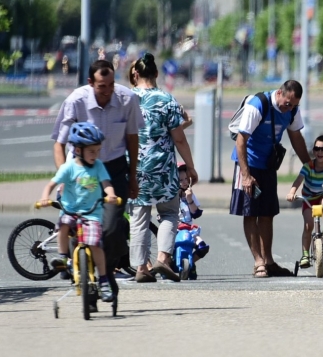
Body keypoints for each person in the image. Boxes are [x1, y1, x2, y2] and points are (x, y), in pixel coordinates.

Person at [51, 59, 144, 304]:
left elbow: (132, 139)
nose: (107, 91)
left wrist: (132, 176)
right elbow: (59, 144)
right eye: (102, 86)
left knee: (112, 228)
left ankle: (106, 274)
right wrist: (64, 178)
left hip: (112, 169)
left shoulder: (127, 99)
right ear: (91, 83)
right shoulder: (75, 101)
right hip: (79, 169)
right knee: (74, 223)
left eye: (111, 84)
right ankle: (78, 269)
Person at [128, 53, 199, 283]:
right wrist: (190, 167)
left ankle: (141, 267)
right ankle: (162, 258)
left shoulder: (126, 100)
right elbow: (179, 139)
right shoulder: (167, 100)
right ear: (157, 74)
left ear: (135, 74)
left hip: (136, 170)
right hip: (163, 170)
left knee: (139, 217)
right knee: (169, 212)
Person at [231, 80, 312, 278]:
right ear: (279, 93)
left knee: (267, 213)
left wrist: (309, 165)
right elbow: (241, 141)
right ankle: (258, 262)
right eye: (287, 103)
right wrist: (246, 175)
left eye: (294, 105)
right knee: (250, 212)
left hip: (268, 164)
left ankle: (268, 261)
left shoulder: (292, 110)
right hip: (247, 164)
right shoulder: (258, 104)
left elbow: (296, 137)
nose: (289, 108)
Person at [41, 123, 118, 301]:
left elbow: (106, 183)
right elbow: (51, 184)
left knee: (94, 244)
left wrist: (111, 194)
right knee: (63, 226)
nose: (95, 155)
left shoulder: (98, 166)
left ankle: (104, 280)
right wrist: (45, 196)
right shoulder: (69, 168)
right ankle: (62, 258)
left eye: (97, 150)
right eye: (91, 151)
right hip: (71, 210)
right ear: (77, 150)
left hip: (91, 212)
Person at [285, 135, 323, 268]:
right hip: (308, 199)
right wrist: (292, 192)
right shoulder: (308, 166)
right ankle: (305, 255)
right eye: (317, 149)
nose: (320, 152)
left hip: (322, 196)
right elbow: (298, 180)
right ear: (314, 151)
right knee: (308, 226)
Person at [129, 62, 193, 130]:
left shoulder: (165, 99)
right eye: (134, 75)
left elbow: (173, 130)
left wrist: (186, 120)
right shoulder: (128, 98)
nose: (136, 78)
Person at [177, 163, 210, 280]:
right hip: (174, 230)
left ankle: (191, 261)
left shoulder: (190, 194)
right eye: (181, 180)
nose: (184, 182)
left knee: (202, 246)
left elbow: (195, 213)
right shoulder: (170, 196)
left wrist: (190, 199)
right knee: (167, 247)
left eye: (186, 179)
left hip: (188, 229)